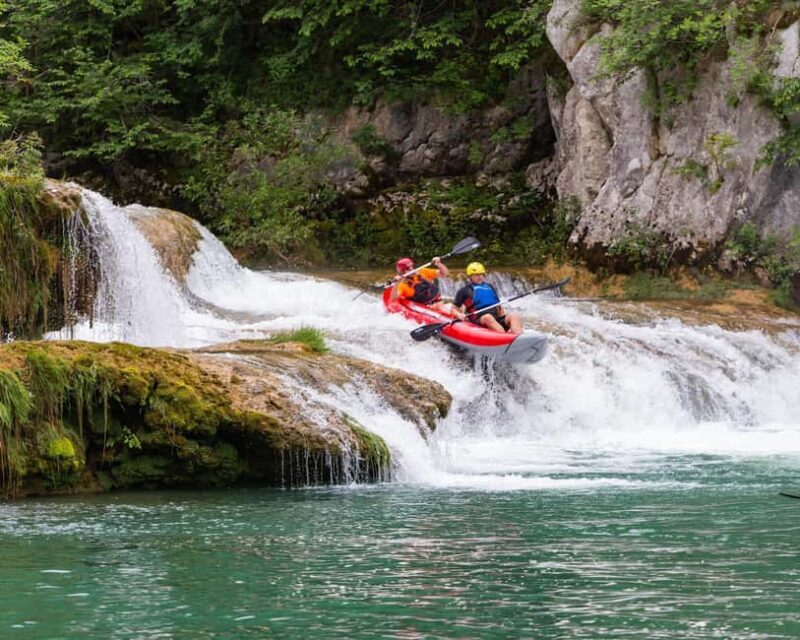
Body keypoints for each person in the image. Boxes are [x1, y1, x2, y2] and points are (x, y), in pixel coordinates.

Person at [453, 262, 523, 335]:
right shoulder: (464, 291)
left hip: (496, 319)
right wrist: (459, 314)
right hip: (478, 319)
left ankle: (519, 337)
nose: (480, 277)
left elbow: (499, 306)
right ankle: (505, 338)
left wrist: (504, 317)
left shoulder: (489, 287)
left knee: (513, 316)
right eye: (476, 275)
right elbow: (454, 308)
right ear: (470, 276)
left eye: (481, 274)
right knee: (488, 317)